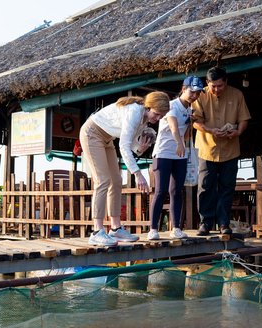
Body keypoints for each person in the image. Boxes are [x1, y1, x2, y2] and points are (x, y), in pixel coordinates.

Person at [79, 91, 170, 246]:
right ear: (148, 107)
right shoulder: (135, 111)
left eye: (161, 116)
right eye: (156, 114)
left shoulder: (143, 118)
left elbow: (131, 145)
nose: (157, 118)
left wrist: (140, 149)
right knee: (103, 180)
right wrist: (138, 174)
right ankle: (96, 231)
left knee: (116, 180)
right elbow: (123, 146)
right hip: (92, 133)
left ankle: (115, 228)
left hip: (107, 139)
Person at [192, 67, 251, 235]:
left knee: (227, 187)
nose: (216, 89)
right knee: (205, 186)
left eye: (220, 86)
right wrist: (210, 130)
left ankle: (224, 224)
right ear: (207, 83)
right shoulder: (200, 95)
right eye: (213, 86)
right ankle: (205, 223)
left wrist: (238, 131)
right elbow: (195, 121)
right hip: (206, 148)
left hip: (231, 149)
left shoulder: (237, 94)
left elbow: (244, 118)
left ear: (226, 82)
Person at [147, 76, 204, 240]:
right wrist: (179, 143)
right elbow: (172, 125)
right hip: (164, 153)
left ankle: (176, 227)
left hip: (179, 156)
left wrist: (191, 123)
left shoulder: (189, 110)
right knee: (160, 190)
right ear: (184, 88)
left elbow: (185, 135)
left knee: (177, 191)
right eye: (192, 92)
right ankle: (153, 229)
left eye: (198, 93)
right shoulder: (171, 106)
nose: (194, 96)